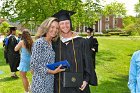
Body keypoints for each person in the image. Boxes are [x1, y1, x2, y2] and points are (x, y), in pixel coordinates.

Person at [52, 10, 97, 93]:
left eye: (67, 23)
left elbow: (88, 62)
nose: (65, 26)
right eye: (62, 23)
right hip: (59, 84)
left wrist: (86, 80)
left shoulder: (82, 42)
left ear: (71, 23)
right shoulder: (55, 43)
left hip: (78, 84)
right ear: (58, 25)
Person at [30, 17, 65, 93]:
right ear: (46, 27)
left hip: (49, 82)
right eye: (52, 27)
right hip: (40, 83)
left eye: (57, 28)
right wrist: (52, 72)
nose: (55, 30)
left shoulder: (51, 43)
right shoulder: (39, 42)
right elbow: (34, 65)